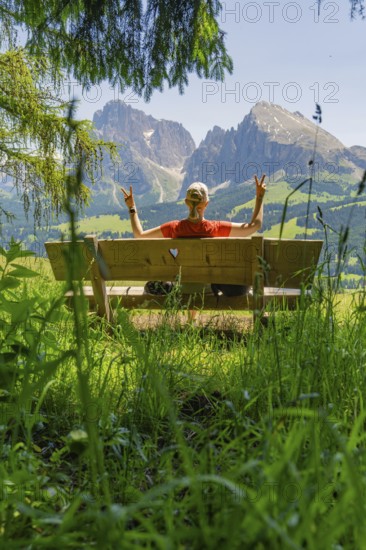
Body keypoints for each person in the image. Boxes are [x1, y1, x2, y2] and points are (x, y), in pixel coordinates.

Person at [121, 175, 266, 296]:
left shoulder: (173, 228)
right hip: (208, 288)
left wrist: (132, 208)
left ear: (186, 203)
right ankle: (193, 319)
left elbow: (139, 235)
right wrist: (259, 198)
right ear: (206, 203)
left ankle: (191, 320)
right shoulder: (215, 228)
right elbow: (255, 226)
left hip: (182, 287)